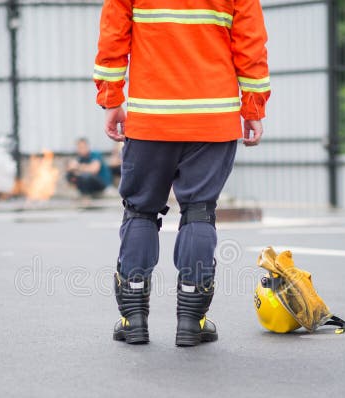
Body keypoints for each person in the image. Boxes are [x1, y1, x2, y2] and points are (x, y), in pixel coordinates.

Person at [95, 0, 270, 346]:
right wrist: (253, 106)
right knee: (199, 211)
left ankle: (133, 320)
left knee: (140, 210)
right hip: (213, 118)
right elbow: (250, 42)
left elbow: (113, 35)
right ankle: (192, 321)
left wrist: (112, 99)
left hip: (151, 120)